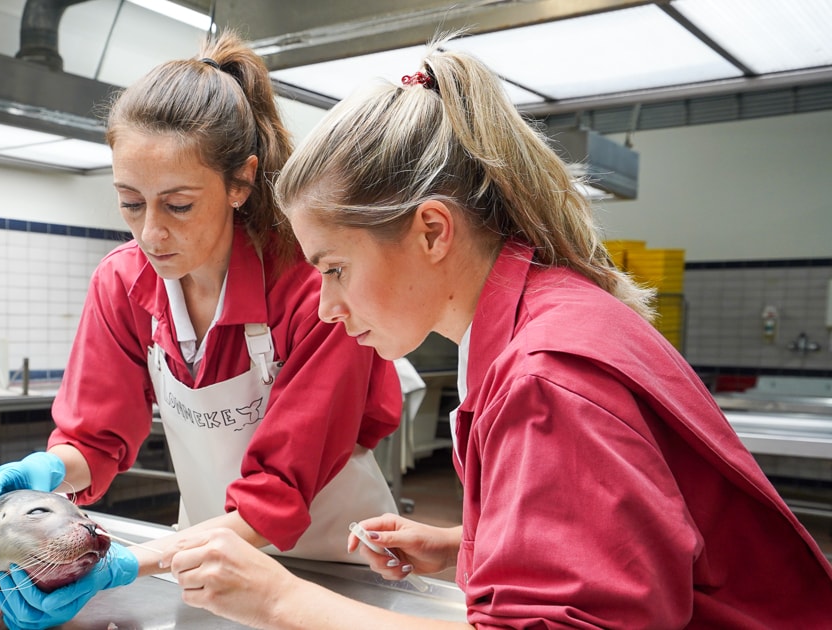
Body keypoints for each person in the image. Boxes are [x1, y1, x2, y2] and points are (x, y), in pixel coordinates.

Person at [161, 35, 832, 629]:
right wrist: (473, 544)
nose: (327, 307)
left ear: (431, 231)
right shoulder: (552, 312)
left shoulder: (546, 378)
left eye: (335, 269)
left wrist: (280, 602)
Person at [0, 31, 404, 630]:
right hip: (203, 561)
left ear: (240, 183)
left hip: (335, 570)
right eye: (129, 202)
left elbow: (280, 487)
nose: (150, 234)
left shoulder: (314, 290)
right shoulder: (122, 285)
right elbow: (95, 442)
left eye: (177, 205)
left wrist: (124, 564)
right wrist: (48, 474)